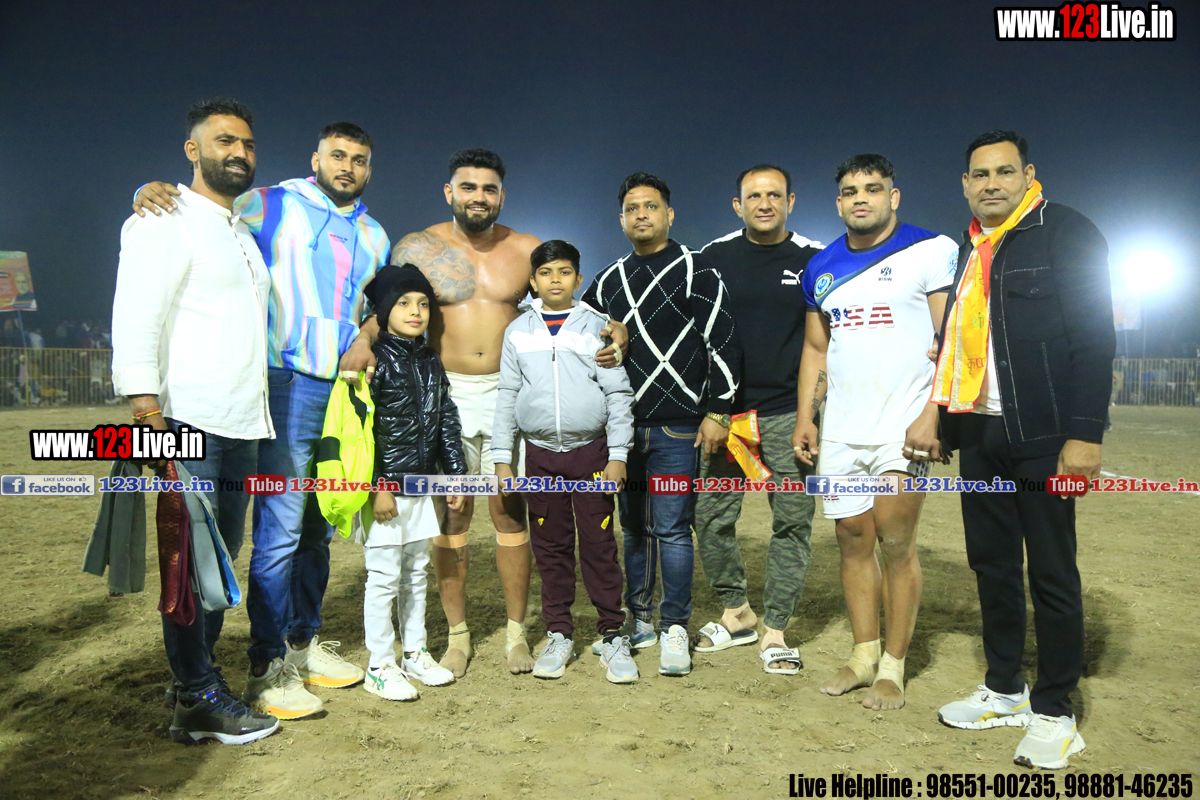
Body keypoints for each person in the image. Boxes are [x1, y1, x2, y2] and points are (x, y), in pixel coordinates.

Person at [132, 121, 389, 717]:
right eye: (337, 155)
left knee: (320, 525)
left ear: (369, 169)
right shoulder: (268, 203)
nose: (347, 167)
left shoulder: (375, 233)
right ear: (315, 159)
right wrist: (147, 191)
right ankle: (265, 665)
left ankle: (300, 644)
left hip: (342, 391)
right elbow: (200, 206)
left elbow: (382, 300)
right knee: (280, 530)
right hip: (283, 384)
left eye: (359, 159)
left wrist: (367, 336)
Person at [342, 149, 627, 677]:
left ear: (502, 195)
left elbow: (566, 300)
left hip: (508, 392)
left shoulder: (525, 249)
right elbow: (389, 305)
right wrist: (363, 339)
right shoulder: (418, 247)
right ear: (449, 192)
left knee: (510, 510)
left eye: (489, 188)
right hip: (443, 391)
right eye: (468, 187)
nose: (479, 197)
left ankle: (516, 635)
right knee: (451, 514)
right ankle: (458, 635)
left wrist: (617, 326)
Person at [933, 130, 1114, 770]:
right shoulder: (967, 247)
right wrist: (946, 423)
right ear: (965, 184)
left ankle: (1056, 710)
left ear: (1028, 174)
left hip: (1045, 437)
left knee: (1052, 571)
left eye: (1004, 172)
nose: (991, 184)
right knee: (992, 565)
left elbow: (1095, 337)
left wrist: (1085, 434)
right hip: (980, 434)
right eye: (980, 174)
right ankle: (1004, 687)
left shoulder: (1066, 231)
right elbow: (957, 341)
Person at [111, 98, 278, 744]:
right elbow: (135, 316)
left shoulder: (240, 231)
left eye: (248, 143)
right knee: (188, 566)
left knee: (217, 565)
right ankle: (196, 696)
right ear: (193, 150)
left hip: (241, 423)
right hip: (185, 422)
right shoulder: (164, 218)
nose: (239, 152)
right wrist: (145, 411)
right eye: (224, 141)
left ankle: (197, 681)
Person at [791, 153, 958, 710]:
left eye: (872, 188)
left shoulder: (930, 250)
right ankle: (863, 657)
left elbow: (950, 339)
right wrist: (807, 416)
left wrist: (934, 413)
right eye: (850, 191)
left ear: (894, 195)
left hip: (903, 426)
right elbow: (817, 349)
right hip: (842, 430)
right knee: (852, 540)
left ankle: (893, 666)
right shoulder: (821, 267)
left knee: (895, 541)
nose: (860, 198)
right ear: (838, 201)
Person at [582, 172, 743, 677]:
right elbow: (579, 336)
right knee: (633, 528)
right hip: (624, 430)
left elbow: (724, 341)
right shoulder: (607, 280)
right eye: (632, 208)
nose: (642, 215)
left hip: (679, 428)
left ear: (669, 214)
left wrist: (718, 410)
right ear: (621, 219)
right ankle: (641, 620)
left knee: (672, 530)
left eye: (651, 207)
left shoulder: (697, 270)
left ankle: (675, 625)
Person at [692, 164, 822, 675]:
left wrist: (811, 411)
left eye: (774, 195)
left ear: (790, 201)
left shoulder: (813, 259)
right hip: (727, 417)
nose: (764, 203)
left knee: (791, 523)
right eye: (753, 196)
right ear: (737, 205)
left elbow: (825, 342)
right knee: (711, 518)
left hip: (789, 416)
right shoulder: (713, 257)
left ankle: (776, 630)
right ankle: (737, 612)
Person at [491, 240, 638, 683]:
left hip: (591, 453)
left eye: (564, 271)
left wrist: (617, 455)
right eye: (546, 272)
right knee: (550, 547)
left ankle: (612, 634)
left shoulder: (597, 328)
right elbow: (507, 395)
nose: (555, 280)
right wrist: (502, 460)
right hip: (539, 457)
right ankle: (559, 632)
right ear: (533, 281)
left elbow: (618, 393)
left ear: (578, 278)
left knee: (598, 545)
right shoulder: (518, 331)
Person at [361, 264, 466, 700]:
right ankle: (379, 665)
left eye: (423, 304)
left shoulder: (429, 360)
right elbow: (363, 430)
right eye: (403, 303)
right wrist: (378, 485)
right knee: (383, 577)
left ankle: (415, 653)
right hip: (385, 492)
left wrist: (456, 477)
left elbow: (446, 419)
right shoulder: (374, 361)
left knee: (416, 574)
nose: (415, 311)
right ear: (384, 311)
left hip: (421, 487)